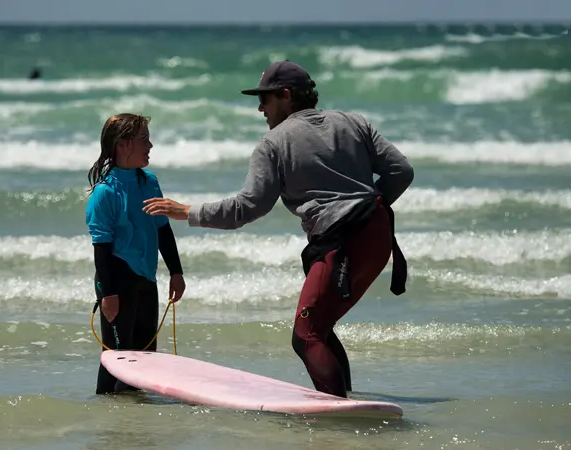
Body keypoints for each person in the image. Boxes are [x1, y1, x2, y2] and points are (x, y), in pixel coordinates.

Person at [142, 61, 413, 398]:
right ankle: (345, 403)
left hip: (341, 244)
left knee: (306, 335)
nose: (260, 108)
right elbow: (401, 171)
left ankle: (339, 417)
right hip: (379, 232)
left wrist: (188, 212)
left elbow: (249, 206)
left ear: (286, 96)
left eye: (265, 99)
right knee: (321, 327)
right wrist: (367, 209)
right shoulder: (353, 122)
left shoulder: (274, 143)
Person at [86, 113, 186, 395]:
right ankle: (107, 412)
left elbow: (163, 229)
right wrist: (107, 295)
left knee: (145, 355)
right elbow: (102, 248)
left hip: (146, 279)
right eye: (144, 139)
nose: (150, 145)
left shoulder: (149, 182)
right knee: (117, 358)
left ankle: (133, 418)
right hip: (116, 281)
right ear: (124, 144)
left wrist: (176, 272)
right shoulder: (104, 193)